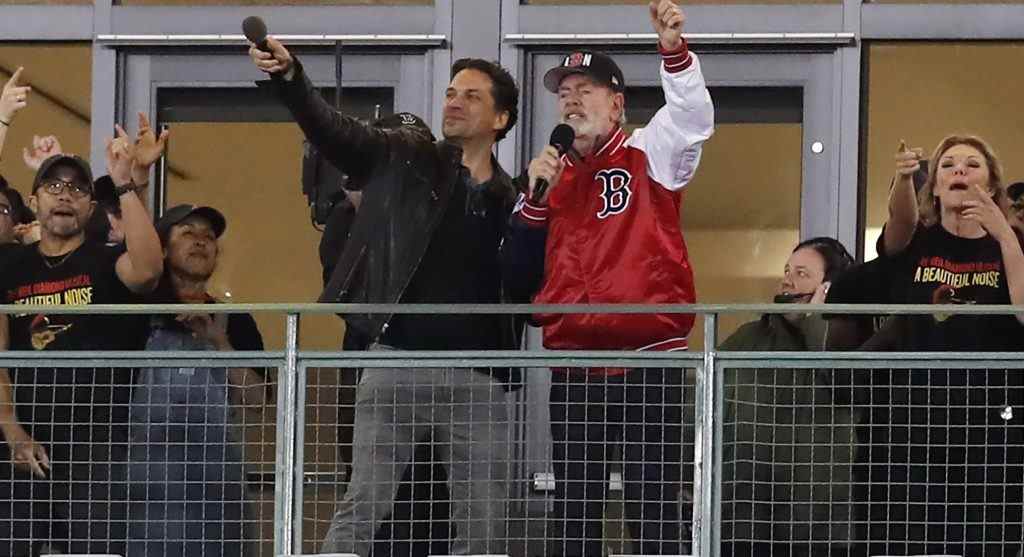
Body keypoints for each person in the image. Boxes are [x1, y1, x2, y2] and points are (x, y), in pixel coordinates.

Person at [250, 39, 522, 556]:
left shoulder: (513, 198)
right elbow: (336, 131)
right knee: (363, 504)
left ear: (501, 118)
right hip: (398, 361)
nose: (454, 102)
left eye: (471, 95)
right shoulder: (409, 156)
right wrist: (292, 80)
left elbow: (528, 282)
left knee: (483, 524)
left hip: (480, 375)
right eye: (449, 92)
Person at [501, 1, 714, 555]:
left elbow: (693, 120)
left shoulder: (650, 153)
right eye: (564, 91)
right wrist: (532, 201)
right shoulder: (550, 176)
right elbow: (518, 281)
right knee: (573, 513)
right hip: (575, 368)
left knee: (653, 511)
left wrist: (675, 54)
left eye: (586, 89)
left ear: (617, 104)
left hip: (650, 361)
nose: (572, 98)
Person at [831, 135, 1024, 556]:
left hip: (989, 429)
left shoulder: (1013, 246)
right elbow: (898, 227)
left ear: (991, 185)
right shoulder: (917, 242)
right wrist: (903, 178)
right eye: (948, 165)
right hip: (907, 428)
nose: (959, 171)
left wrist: (1005, 235)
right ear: (935, 186)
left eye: (972, 165)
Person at [0, 124, 166, 555]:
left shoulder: (106, 260)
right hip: (24, 441)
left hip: (97, 445)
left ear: (91, 207)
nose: (65, 194)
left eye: (77, 188)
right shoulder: (11, 265)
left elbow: (148, 271)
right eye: (53, 185)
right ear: (33, 203)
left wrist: (127, 182)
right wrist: (12, 431)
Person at [125, 204, 267, 557]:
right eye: (188, 232)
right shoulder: (132, 315)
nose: (200, 242)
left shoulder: (237, 321)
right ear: (161, 247)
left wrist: (219, 341)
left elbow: (257, 401)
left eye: (209, 237)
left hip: (216, 491)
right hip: (141, 488)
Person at [717, 237, 858, 557]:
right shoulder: (749, 337)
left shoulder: (844, 341)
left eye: (802, 273)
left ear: (827, 288)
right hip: (746, 518)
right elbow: (704, 406)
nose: (787, 280)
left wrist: (817, 321)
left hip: (821, 526)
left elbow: (841, 379)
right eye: (786, 271)